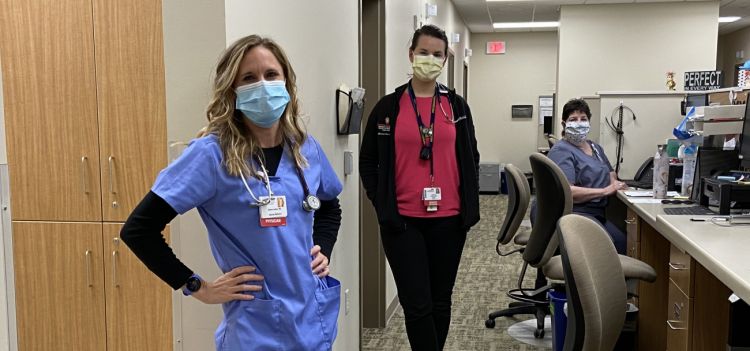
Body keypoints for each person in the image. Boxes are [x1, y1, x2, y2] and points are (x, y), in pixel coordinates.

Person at [120, 35, 343, 350]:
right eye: (249, 78)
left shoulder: (304, 149)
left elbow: (329, 206)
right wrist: (198, 286)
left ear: (286, 83)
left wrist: (323, 248)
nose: (263, 85)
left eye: (271, 75)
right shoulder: (211, 155)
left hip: (312, 317)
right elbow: (138, 229)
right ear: (232, 91)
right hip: (255, 325)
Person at [359, 24, 480, 351]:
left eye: (437, 54)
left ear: (444, 60)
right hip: (402, 221)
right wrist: (380, 200)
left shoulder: (455, 107)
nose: (430, 59)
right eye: (423, 52)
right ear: (411, 54)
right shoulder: (389, 107)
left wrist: (468, 203)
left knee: (440, 301)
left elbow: (471, 155)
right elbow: (368, 160)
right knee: (416, 304)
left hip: (450, 220)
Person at [546, 98, 627, 254]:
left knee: (624, 240)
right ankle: (595, 278)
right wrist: (605, 191)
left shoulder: (595, 147)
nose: (579, 123)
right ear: (564, 124)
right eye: (573, 119)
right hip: (576, 213)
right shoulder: (562, 151)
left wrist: (616, 183)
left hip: (597, 212)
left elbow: (610, 172)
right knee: (616, 245)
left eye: (583, 119)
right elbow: (568, 191)